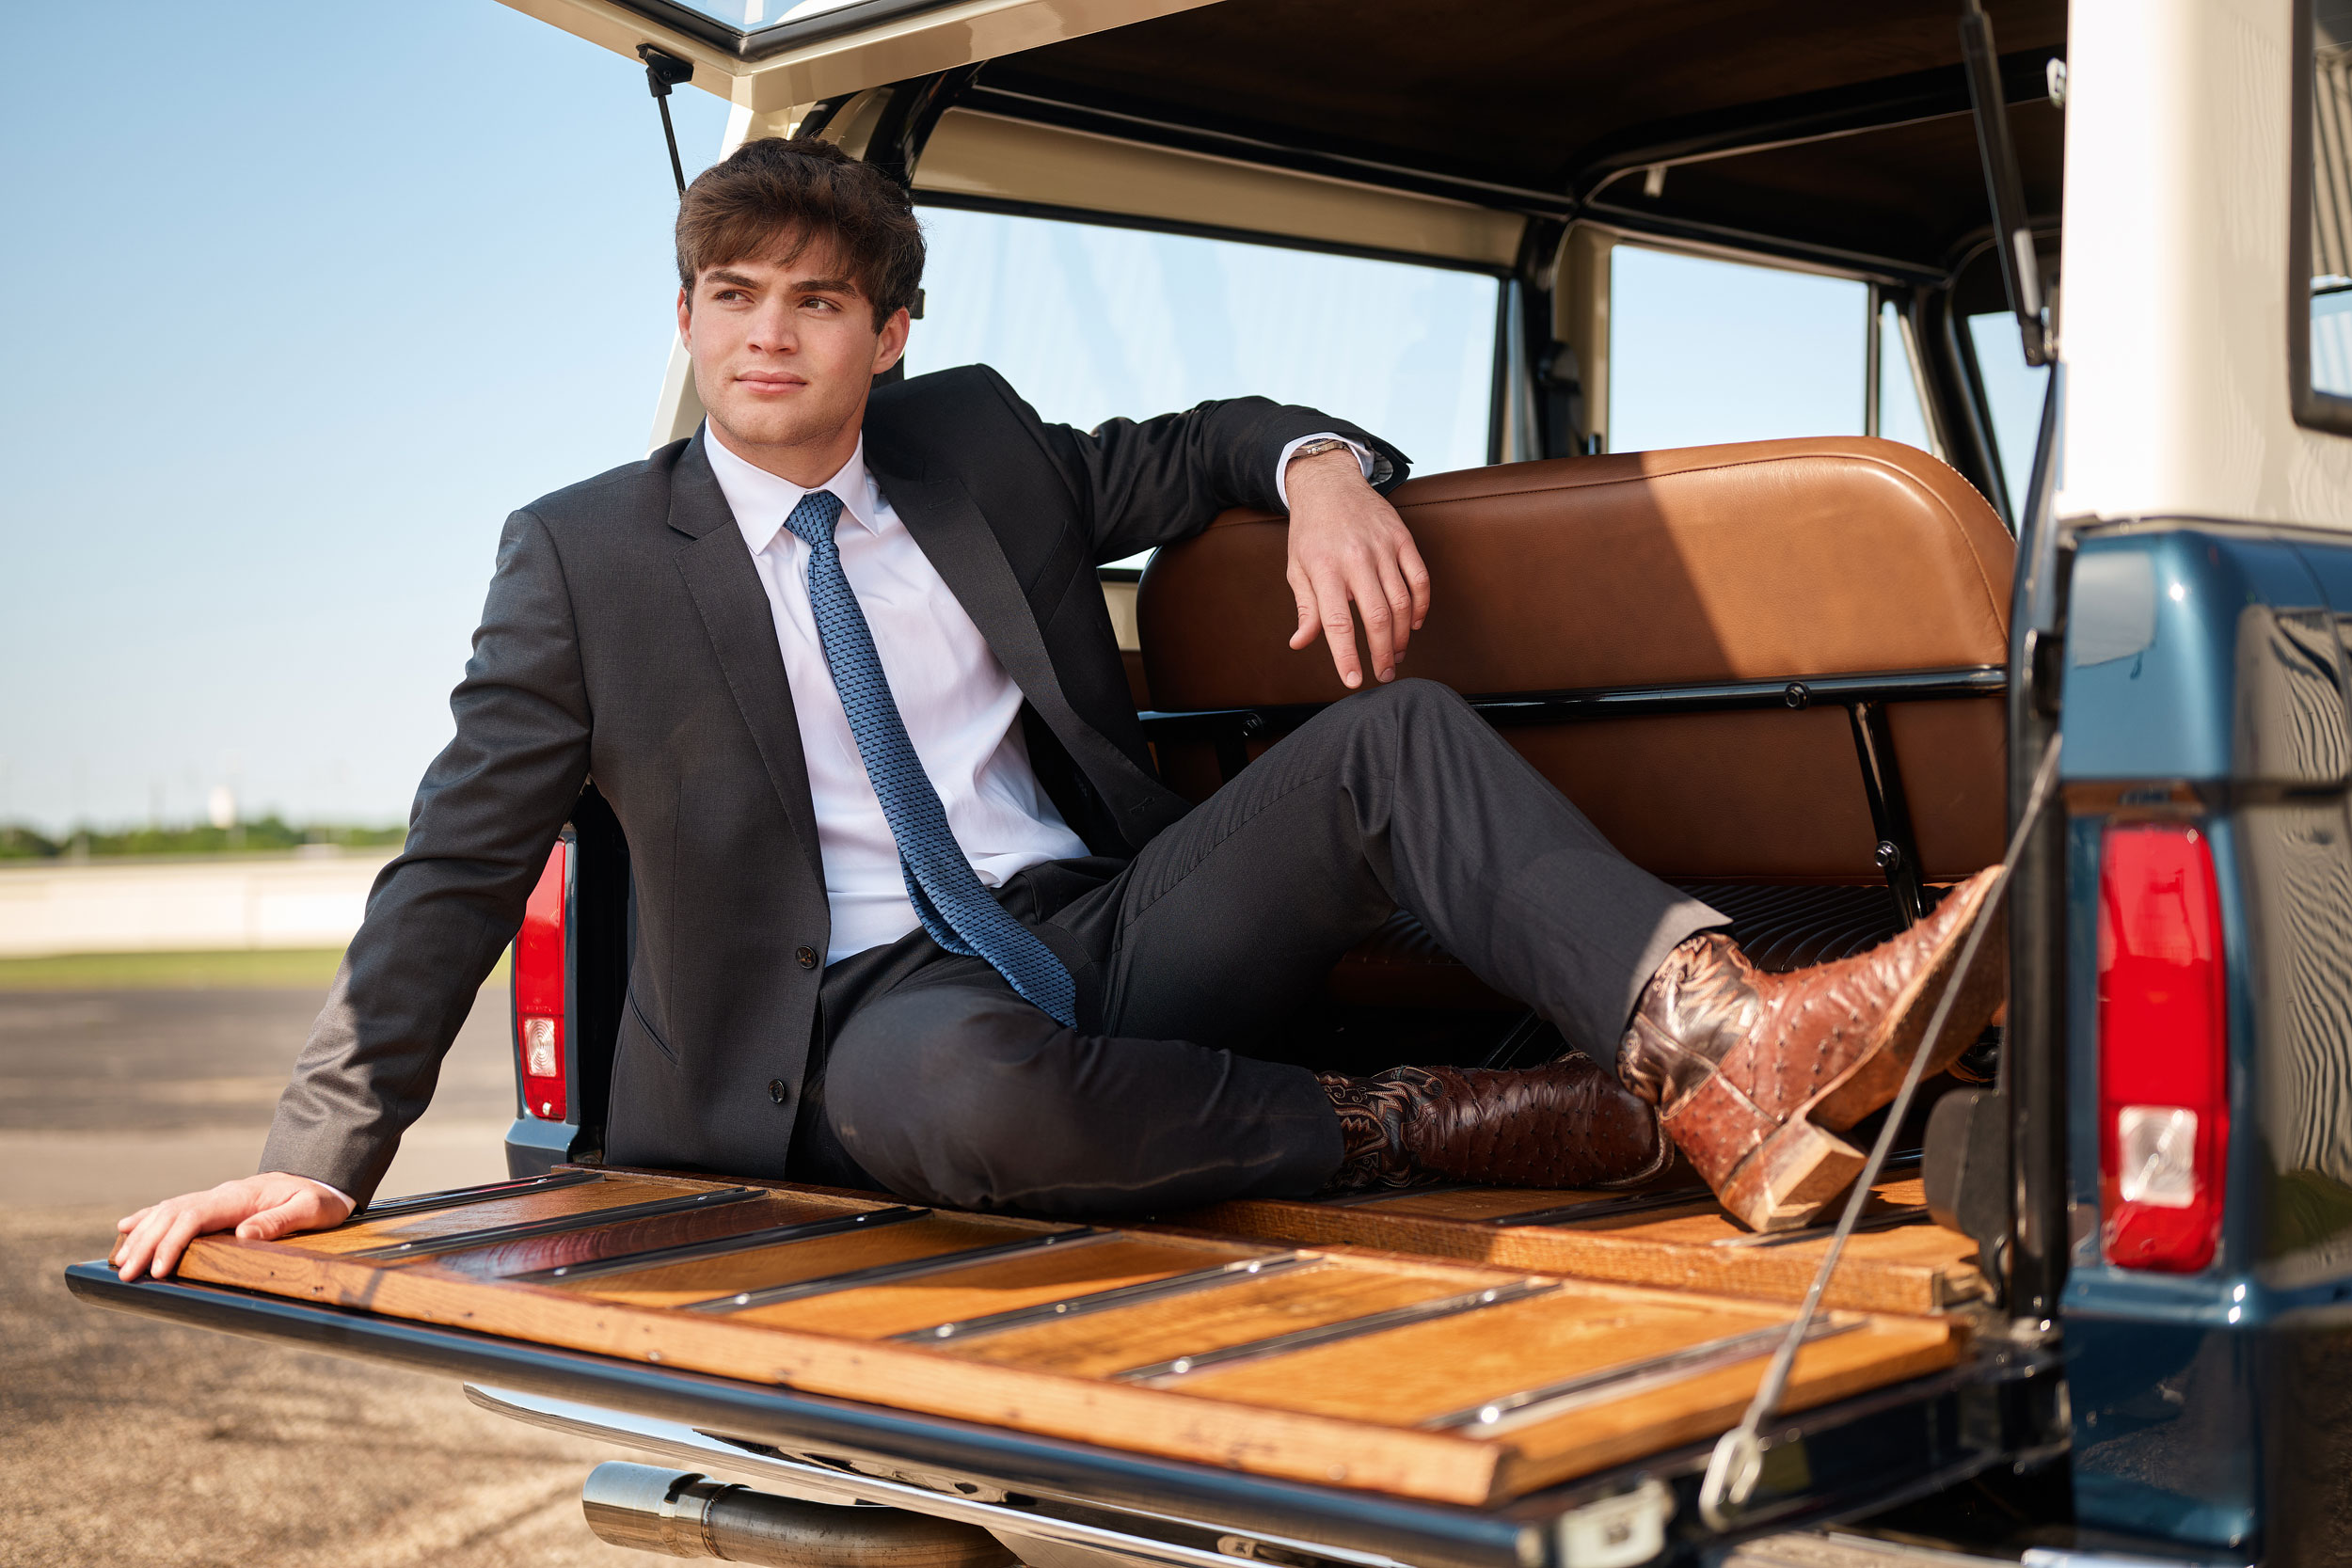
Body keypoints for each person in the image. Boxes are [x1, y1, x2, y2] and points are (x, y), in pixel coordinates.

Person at [112, 137, 2002, 1282]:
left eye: (815, 302)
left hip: (1097, 926)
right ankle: (1435, 1123)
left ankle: (1716, 1042)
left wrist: (1327, 470)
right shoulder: (582, 556)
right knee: (978, 1093)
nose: (766, 331)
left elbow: (1206, 445)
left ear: (887, 334)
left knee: (1390, 742)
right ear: (685, 322)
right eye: (728, 294)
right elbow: (454, 863)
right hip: (847, 1018)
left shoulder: (978, 447)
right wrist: (320, 1147)